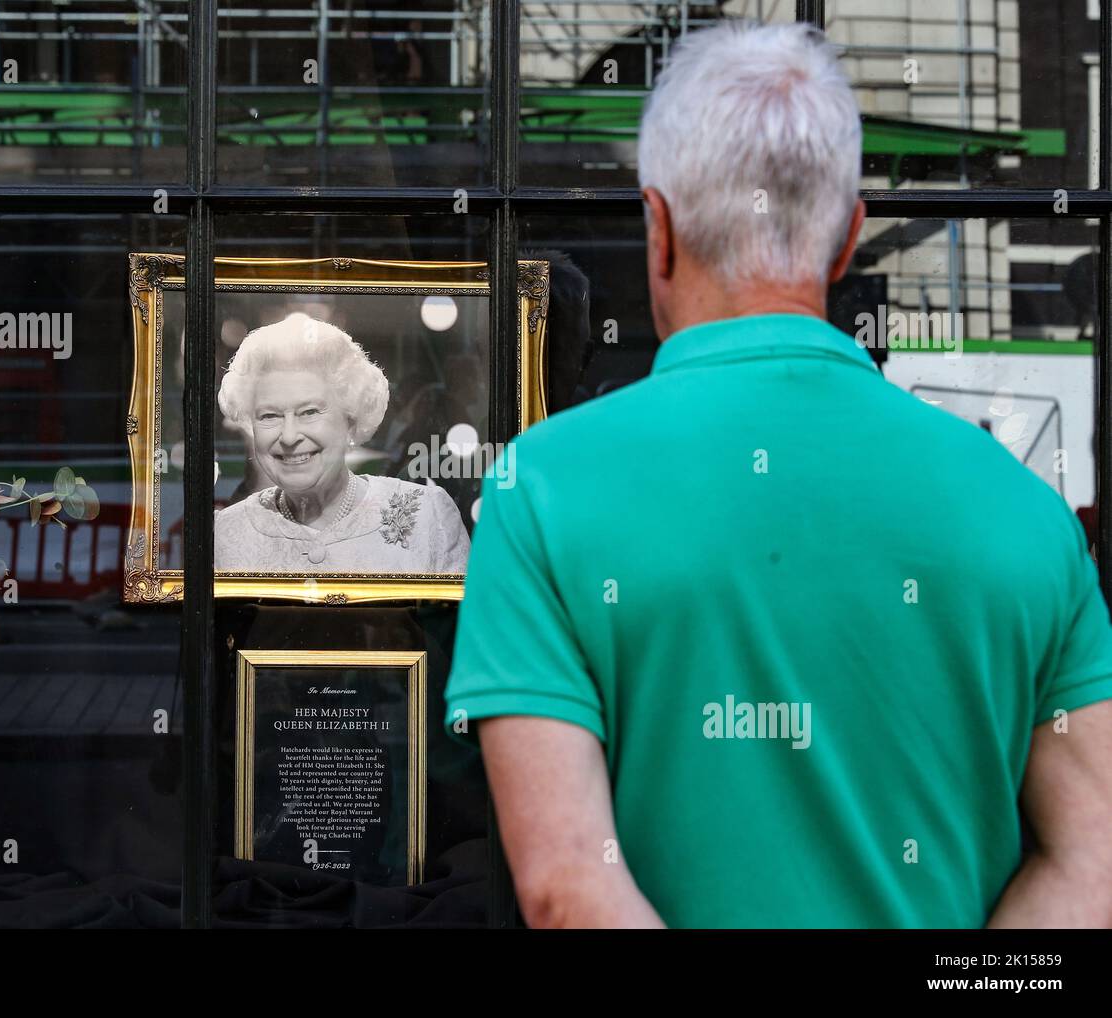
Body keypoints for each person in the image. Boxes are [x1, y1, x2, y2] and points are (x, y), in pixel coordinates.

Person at [444, 22, 1112, 928]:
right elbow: (1094, 863)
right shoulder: (1025, 510)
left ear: (659, 226)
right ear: (846, 243)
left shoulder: (542, 490)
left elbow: (568, 886)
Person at [215, 312, 470, 573]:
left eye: (310, 412)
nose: (289, 437)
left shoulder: (428, 516)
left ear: (351, 417)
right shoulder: (226, 532)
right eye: (270, 415)